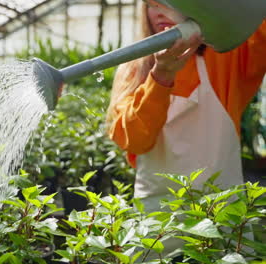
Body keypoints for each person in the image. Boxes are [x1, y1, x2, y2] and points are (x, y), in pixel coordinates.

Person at [106, 1, 266, 212]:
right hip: (158, 218)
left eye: (171, 3)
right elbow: (135, 141)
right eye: (153, 4)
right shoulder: (134, 68)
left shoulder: (226, 58)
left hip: (221, 213)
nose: (162, 11)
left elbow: (256, 19)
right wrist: (160, 77)